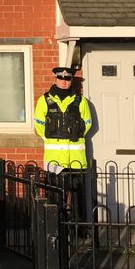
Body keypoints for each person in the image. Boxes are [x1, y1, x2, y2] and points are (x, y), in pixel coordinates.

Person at [34, 66, 92, 223]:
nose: (64, 81)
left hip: (76, 160)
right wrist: (51, 139)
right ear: (55, 79)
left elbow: (87, 123)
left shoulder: (80, 101)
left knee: (78, 198)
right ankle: (56, 229)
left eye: (67, 79)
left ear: (71, 80)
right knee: (54, 197)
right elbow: (39, 125)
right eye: (61, 78)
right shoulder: (44, 100)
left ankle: (79, 230)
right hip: (55, 160)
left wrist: (72, 135)